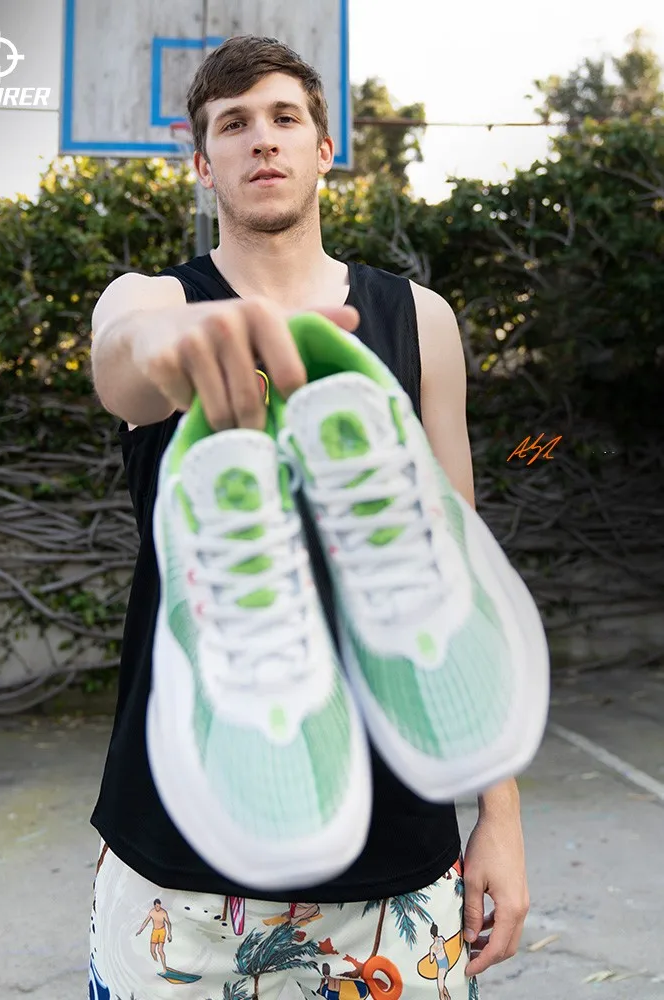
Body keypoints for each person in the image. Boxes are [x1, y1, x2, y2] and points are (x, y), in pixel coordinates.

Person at [88, 34, 529, 998]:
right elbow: (121, 358)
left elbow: (458, 581)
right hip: (178, 854)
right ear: (202, 164)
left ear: (324, 149)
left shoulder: (420, 319)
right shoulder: (158, 300)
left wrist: (499, 815)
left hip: (397, 853)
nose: (262, 139)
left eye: (284, 117)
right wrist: (186, 339)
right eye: (233, 124)